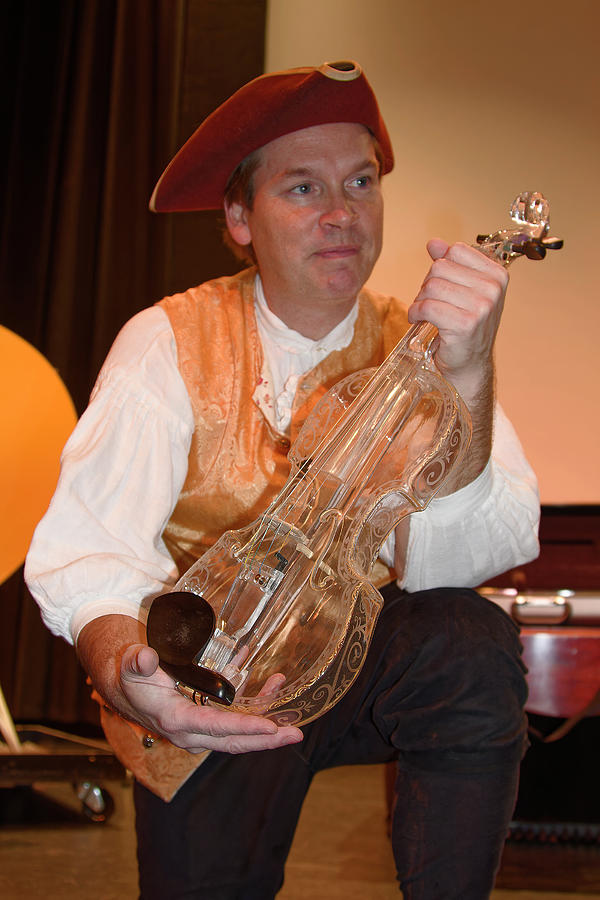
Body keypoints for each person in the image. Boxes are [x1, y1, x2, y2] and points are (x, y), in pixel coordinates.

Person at [26, 61, 540, 899]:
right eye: (302, 188)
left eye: (361, 182)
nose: (343, 214)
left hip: (359, 654)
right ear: (238, 216)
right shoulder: (166, 341)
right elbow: (89, 550)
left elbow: (469, 556)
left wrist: (471, 376)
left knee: (468, 641)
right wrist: (134, 676)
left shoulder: (426, 345)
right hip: (210, 680)